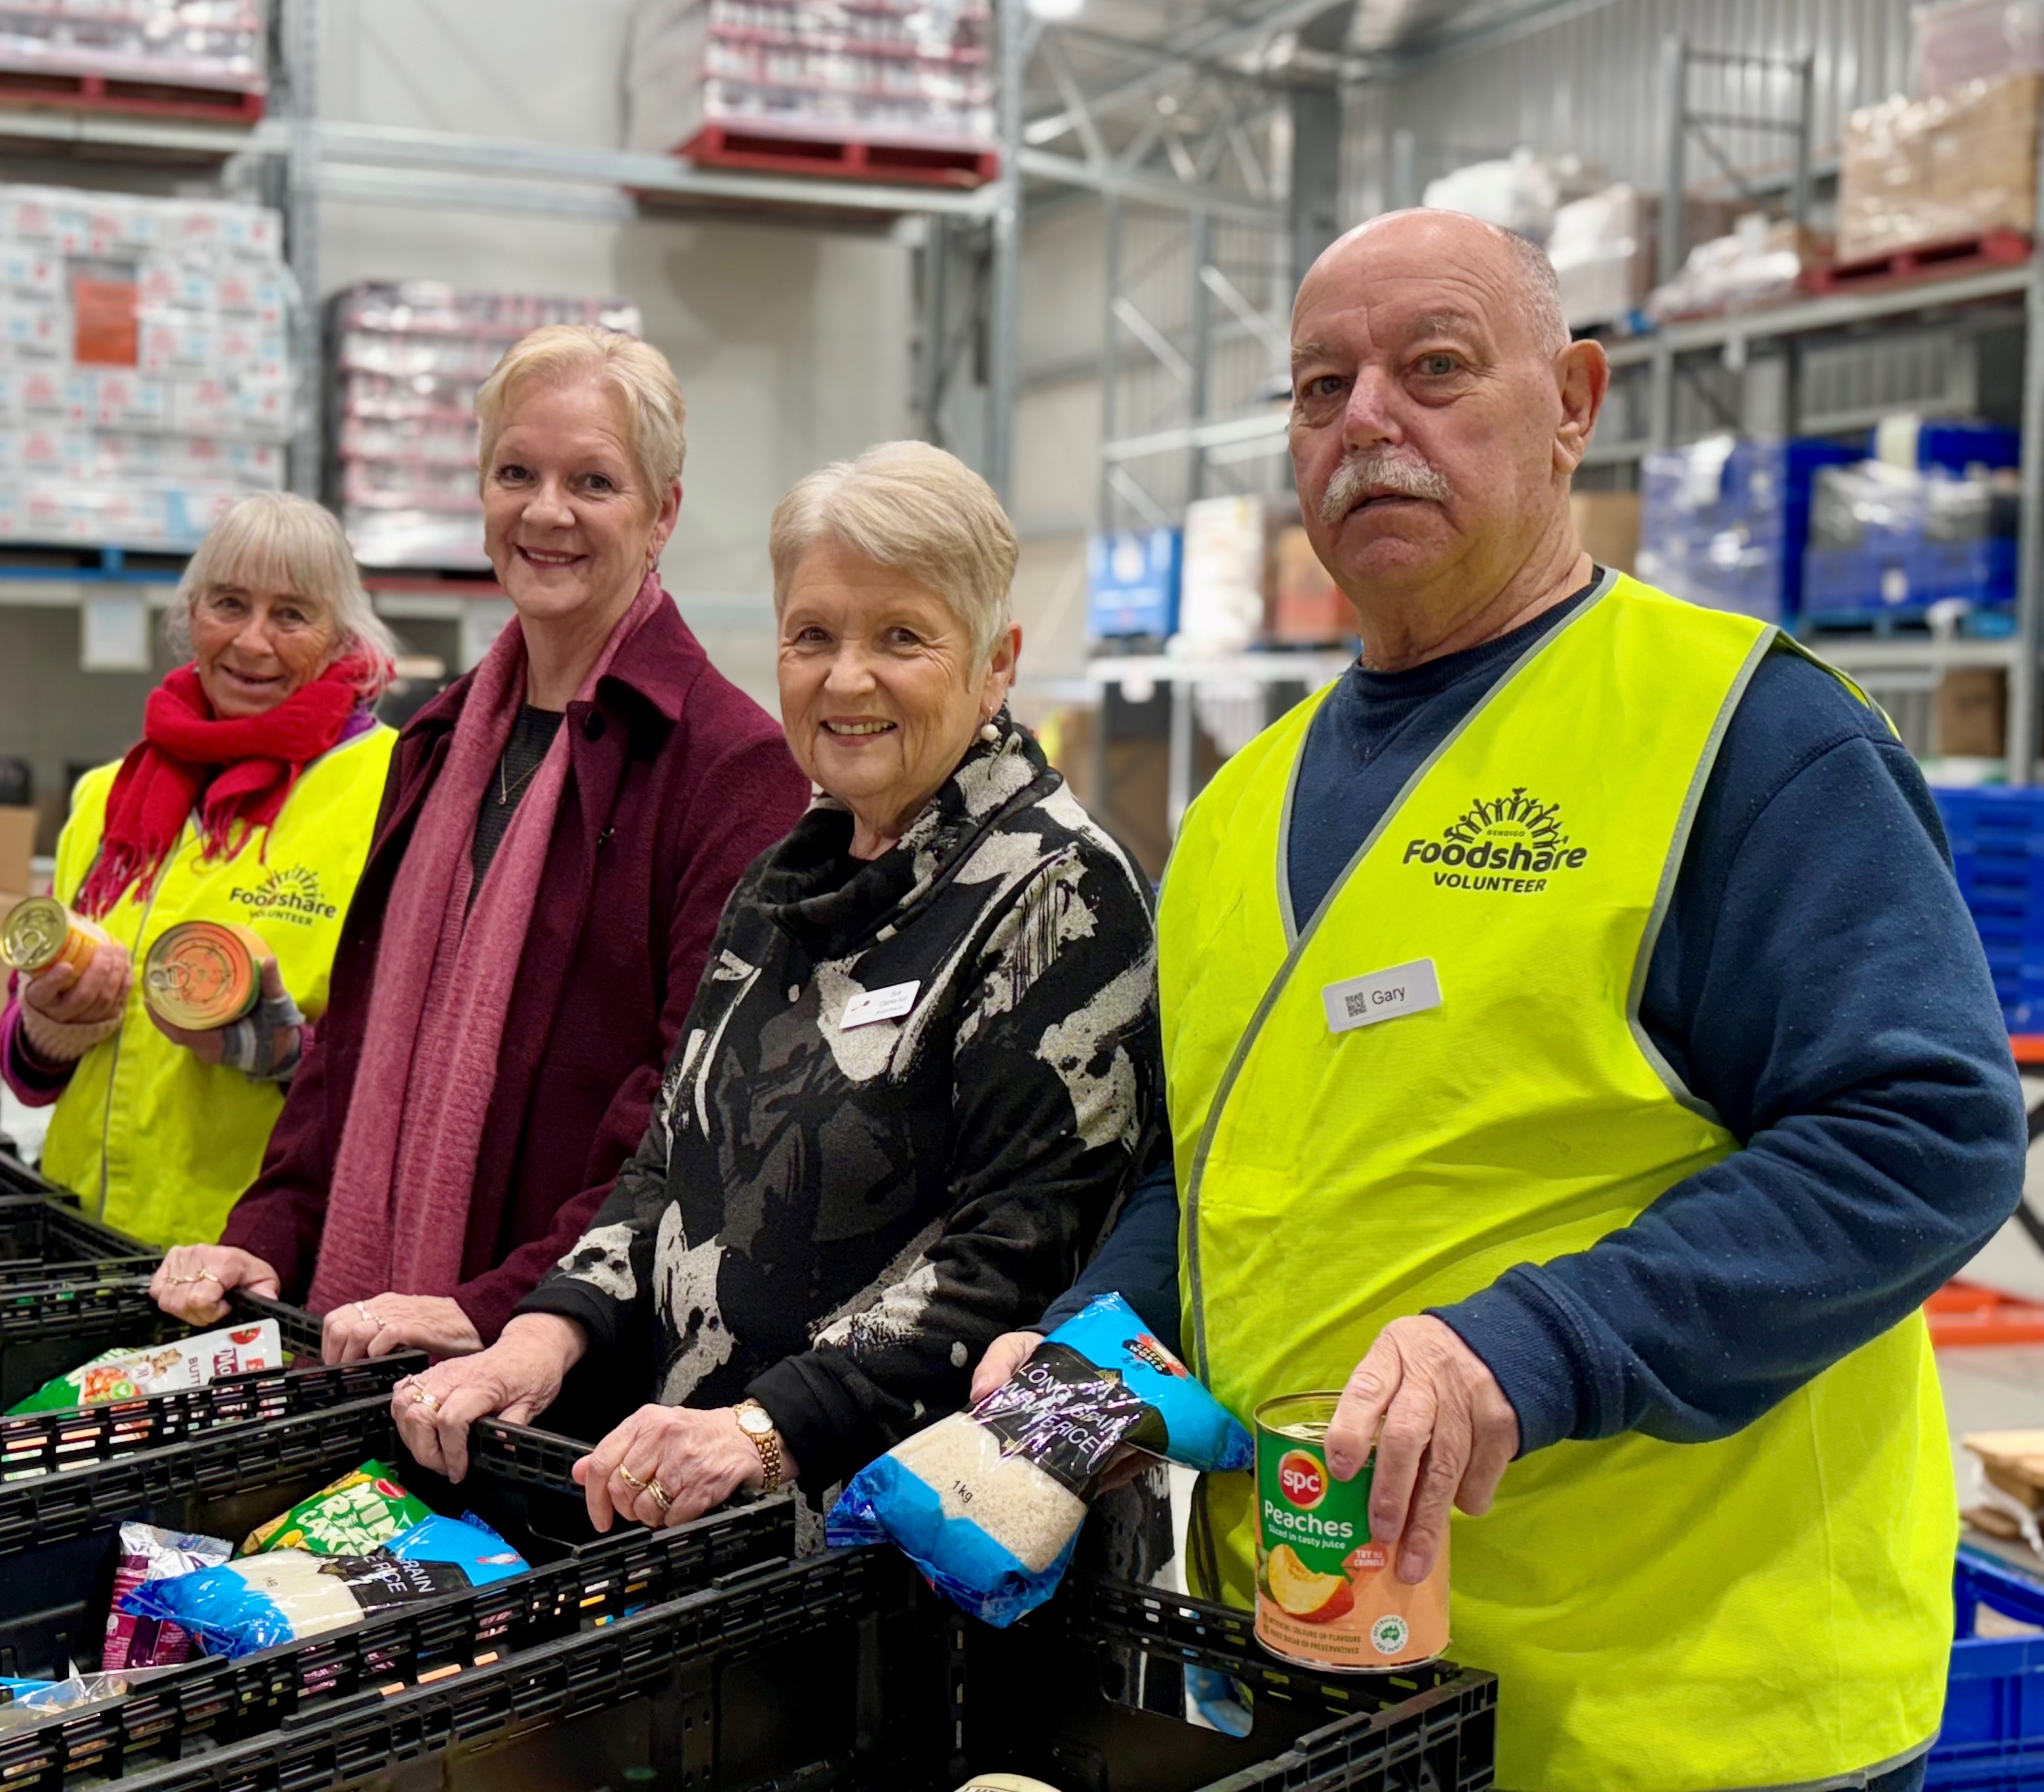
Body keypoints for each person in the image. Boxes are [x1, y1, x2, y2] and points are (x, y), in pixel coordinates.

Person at [979, 209, 2025, 1792]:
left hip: (1683, 1712)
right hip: (1332, 1672)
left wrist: (1534, 1345)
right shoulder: (1239, 815)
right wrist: (1086, 1361)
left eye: (1437, 368)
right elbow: (1222, 1184)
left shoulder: (1739, 732)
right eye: (1321, 389)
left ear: (1574, 402)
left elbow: (1927, 1136)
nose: (1368, 421)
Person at [392, 440, 1168, 1535]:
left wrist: (761, 1428)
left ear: (997, 661)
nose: (844, 678)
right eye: (813, 636)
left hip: (922, 1555)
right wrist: (543, 1331)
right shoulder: (784, 878)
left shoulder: (1055, 888)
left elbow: (1020, 1251)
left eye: (901, 636)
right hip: (714, 1518)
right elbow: (670, 1156)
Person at [147, 326, 810, 1365]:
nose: (546, 511)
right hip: (366, 1339)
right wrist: (262, 1236)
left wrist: (505, 1307)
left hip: (572, 1376)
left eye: (592, 479)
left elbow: (692, 1113)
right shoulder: (438, 742)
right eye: (516, 473)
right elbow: (346, 1055)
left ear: (662, 512)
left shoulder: (729, 768)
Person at [0, 491, 400, 1250]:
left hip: (253, 1263)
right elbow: (25, 1072)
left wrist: (285, 1056)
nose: (252, 643)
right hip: (84, 1239)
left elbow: (415, 1080)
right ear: (190, 618)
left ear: (343, 636)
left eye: (292, 615)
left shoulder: (391, 791)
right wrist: (50, 1028)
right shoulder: (108, 797)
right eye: (229, 604)